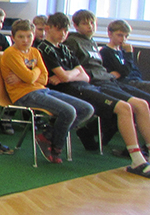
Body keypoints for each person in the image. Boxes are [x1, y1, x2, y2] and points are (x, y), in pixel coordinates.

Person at [37, 12, 150, 173]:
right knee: (124, 108)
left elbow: (84, 76)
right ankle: (137, 160)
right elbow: (67, 76)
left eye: (65, 30)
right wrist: (71, 75)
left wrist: (69, 74)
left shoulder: (66, 48)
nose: (63, 34)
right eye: (59, 30)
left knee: (141, 104)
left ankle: (142, 154)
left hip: (89, 84)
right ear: (48, 29)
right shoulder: (51, 47)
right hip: (76, 89)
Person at [0, 19, 94, 163]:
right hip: (24, 94)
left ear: (34, 36)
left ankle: (48, 135)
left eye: (29, 36)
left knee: (87, 109)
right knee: (68, 111)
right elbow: (30, 77)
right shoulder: (11, 53)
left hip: (42, 89)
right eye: (21, 37)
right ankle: (57, 146)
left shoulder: (35, 52)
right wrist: (34, 71)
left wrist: (28, 75)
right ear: (13, 37)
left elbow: (44, 79)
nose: (25, 40)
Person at [67, 10, 150, 104]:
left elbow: (133, 71)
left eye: (92, 23)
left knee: (143, 101)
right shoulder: (73, 42)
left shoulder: (92, 43)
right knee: (140, 103)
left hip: (110, 79)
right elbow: (123, 71)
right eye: (85, 24)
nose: (90, 26)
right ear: (76, 26)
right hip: (99, 82)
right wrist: (128, 54)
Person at [101, 19, 150, 94]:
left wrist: (122, 73)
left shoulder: (122, 51)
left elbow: (135, 71)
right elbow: (125, 71)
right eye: (120, 35)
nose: (123, 39)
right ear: (110, 34)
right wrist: (129, 53)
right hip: (124, 84)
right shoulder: (106, 52)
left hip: (134, 81)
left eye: (126, 36)